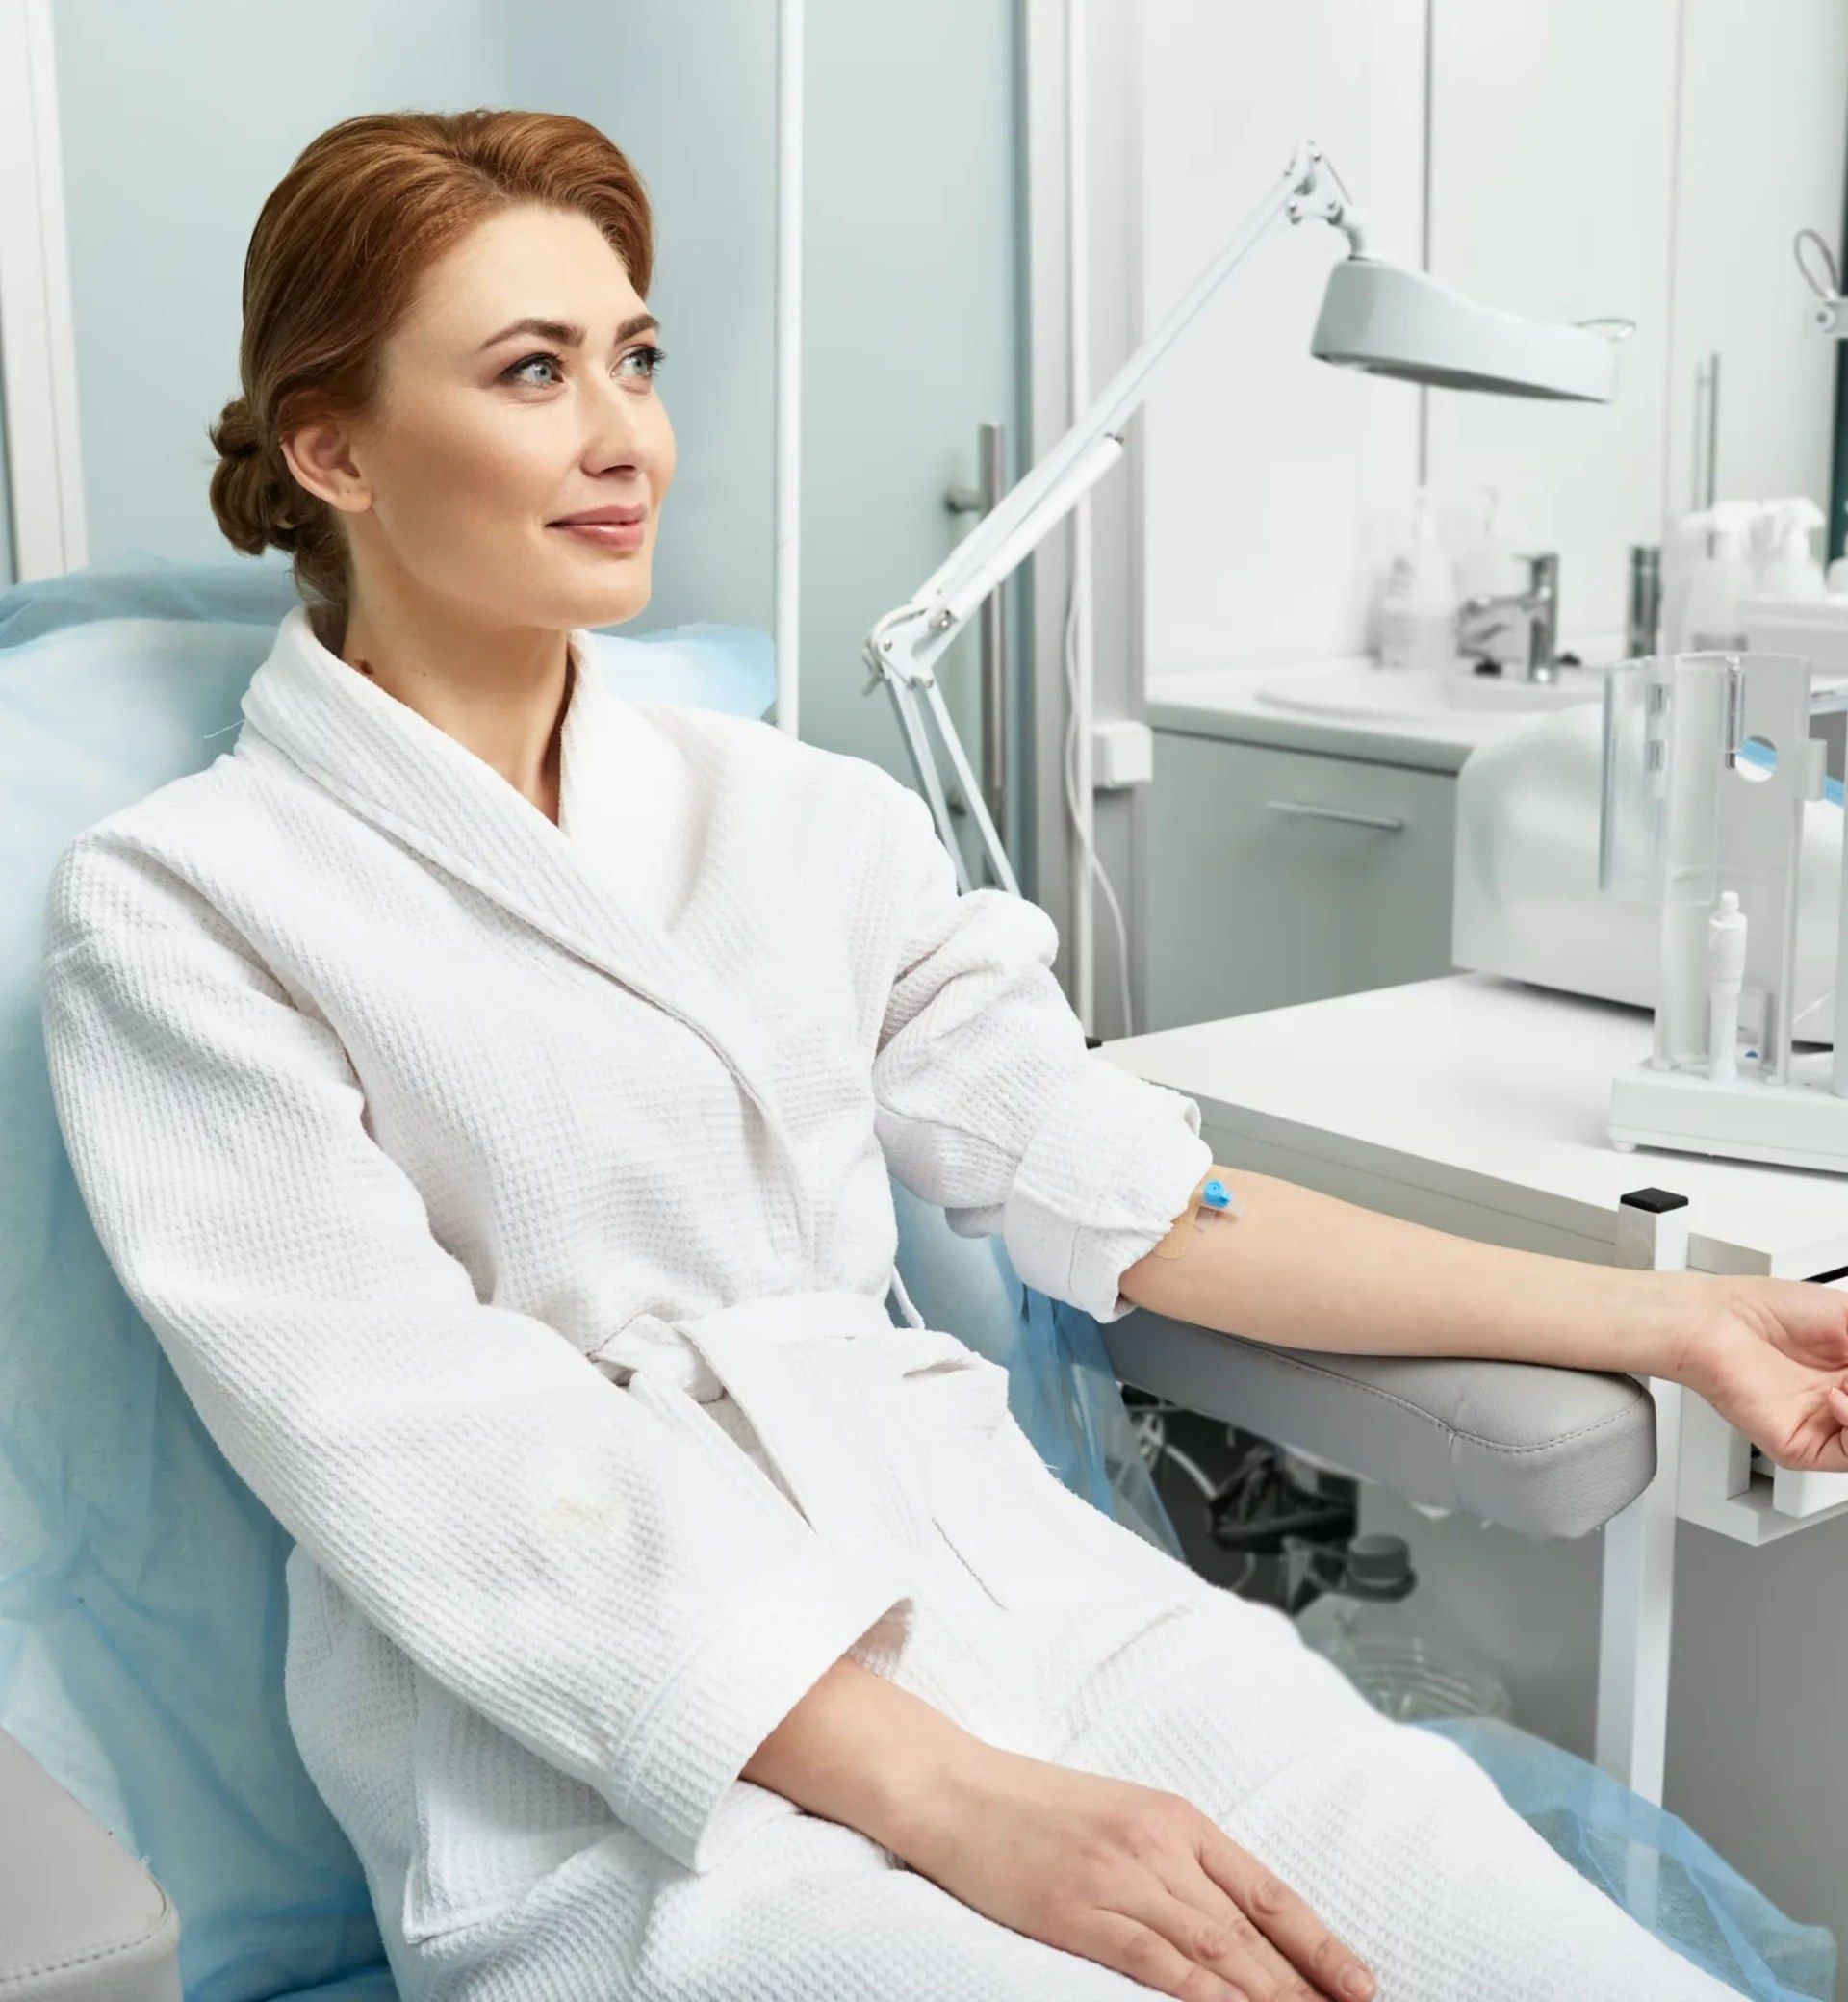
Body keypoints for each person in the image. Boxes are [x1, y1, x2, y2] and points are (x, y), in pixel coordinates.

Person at [38, 110, 1845, 2002]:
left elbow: (1143, 1194)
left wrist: (1675, 1320)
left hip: (1013, 1585)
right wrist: (961, 1799)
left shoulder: (808, 816)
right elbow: (434, 1452)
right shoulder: (188, 906)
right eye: (531, 371)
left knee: (1539, 1947)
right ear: (332, 448)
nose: (624, 432)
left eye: (635, 357)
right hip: (616, 1736)